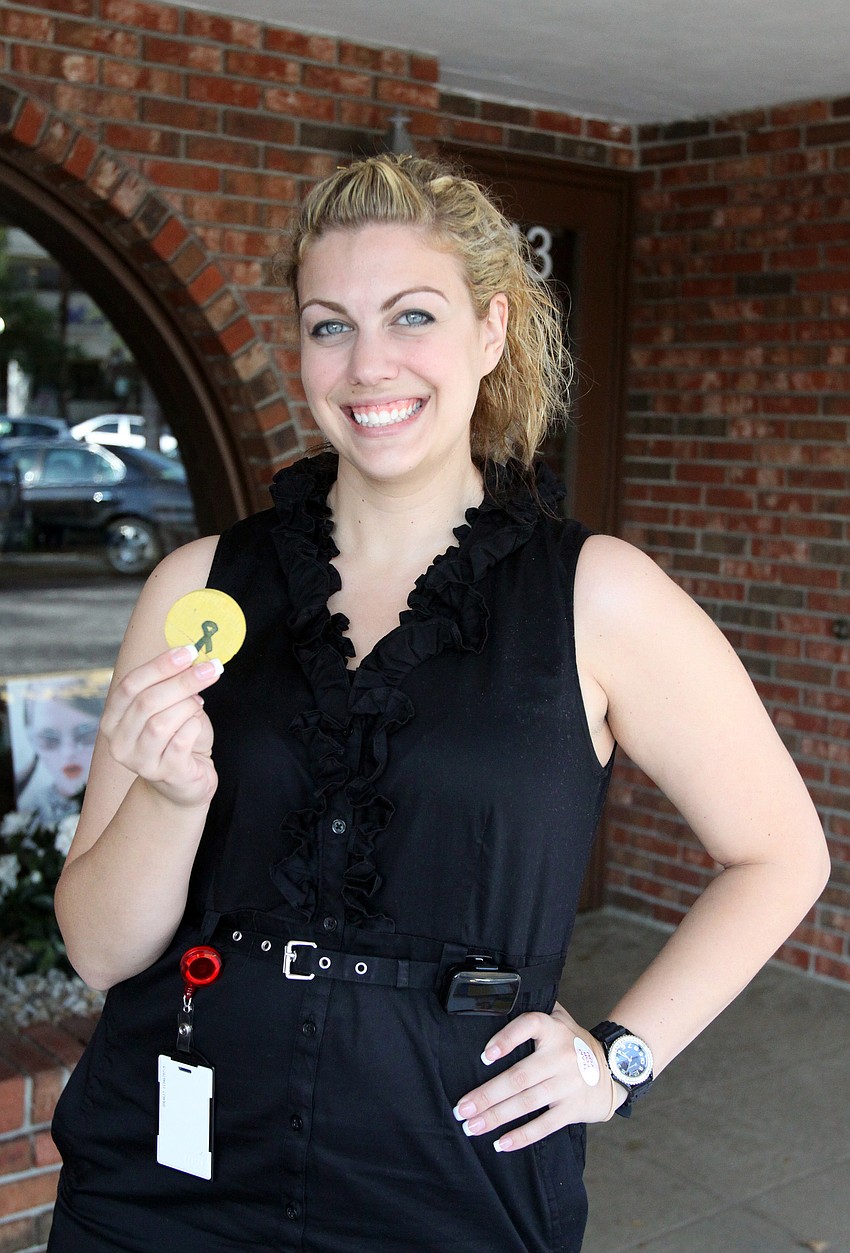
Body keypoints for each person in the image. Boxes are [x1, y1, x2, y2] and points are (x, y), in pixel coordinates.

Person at [47, 154, 829, 1253]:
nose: (368, 364)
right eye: (329, 325)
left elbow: (781, 852)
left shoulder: (596, 593)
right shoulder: (200, 586)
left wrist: (618, 1059)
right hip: (165, 1177)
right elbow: (96, 947)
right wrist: (171, 801)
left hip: (449, 1182)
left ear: (491, 331)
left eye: (411, 315)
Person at [12, 681, 102, 825]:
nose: (68, 752)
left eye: (85, 735)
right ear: (32, 739)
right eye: (50, 740)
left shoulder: (130, 802)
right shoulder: (28, 816)